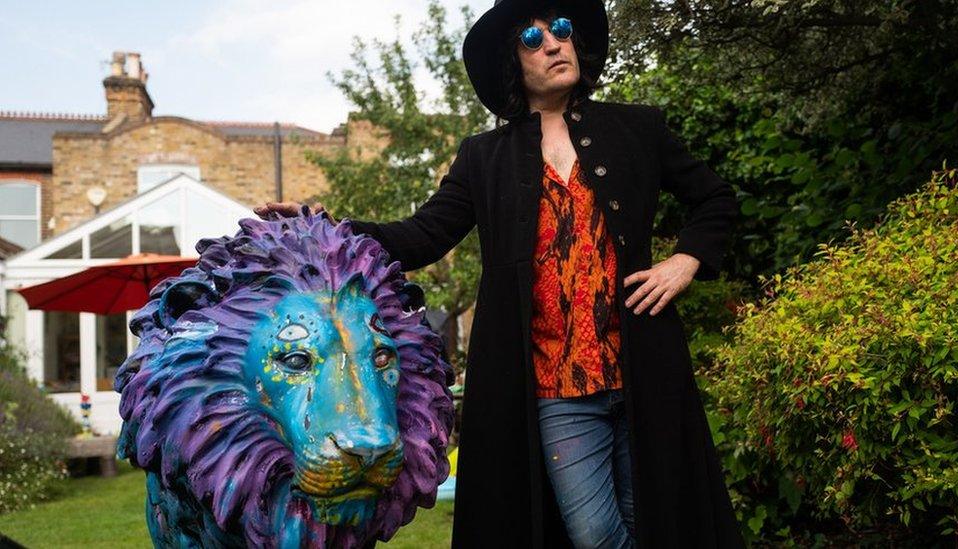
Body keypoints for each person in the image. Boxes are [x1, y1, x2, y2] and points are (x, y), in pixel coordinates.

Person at [254, 1, 744, 547]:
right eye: (533, 40)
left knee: (660, 522)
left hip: (645, 372)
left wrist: (684, 261)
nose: (555, 44)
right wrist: (329, 224)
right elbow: (422, 235)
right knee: (595, 535)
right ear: (514, 65)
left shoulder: (638, 129)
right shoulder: (483, 157)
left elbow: (715, 199)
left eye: (559, 30)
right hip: (556, 386)